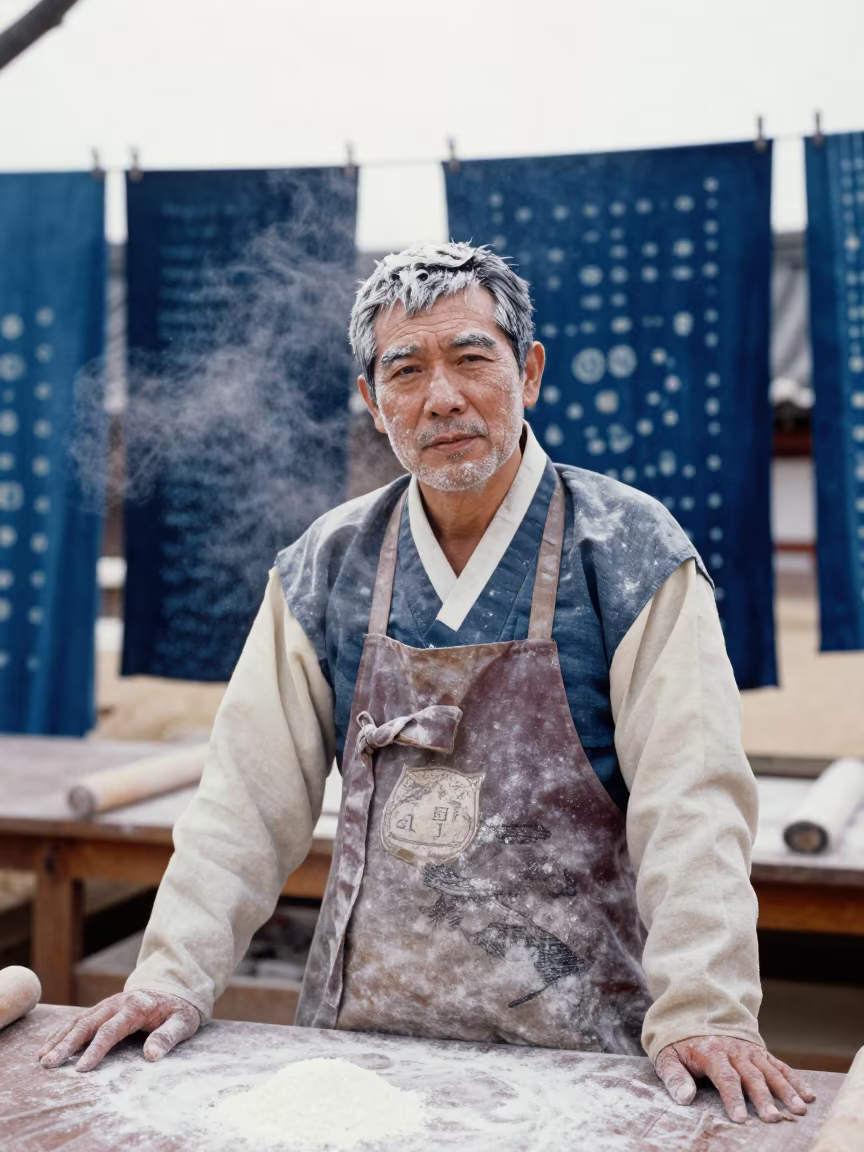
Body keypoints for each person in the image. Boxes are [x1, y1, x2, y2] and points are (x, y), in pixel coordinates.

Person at [40, 243, 813, 1124]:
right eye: (405, 370)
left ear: (528, 371)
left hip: (587, 1052)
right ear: (373, 402)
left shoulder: (630, 553)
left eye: (471, 357)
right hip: (362, 1049)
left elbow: (693, 798)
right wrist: (171, 976)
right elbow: (244, 803)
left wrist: (707, 1011)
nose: (441, 396)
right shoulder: (326, 565)